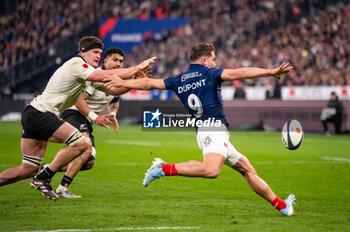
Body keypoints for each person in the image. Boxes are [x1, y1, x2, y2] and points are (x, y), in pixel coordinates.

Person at [104, 42, 296, 216]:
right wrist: (270, 72)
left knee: (247, 170)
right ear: (205, 59)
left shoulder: (178, 79)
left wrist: (123, 82)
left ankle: (282, 206)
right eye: (213, 58)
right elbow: (238, 73)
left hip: (206, 131)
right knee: (212, 170)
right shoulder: (210, 73)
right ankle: (163, 168)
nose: (215, 62)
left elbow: (148, 83)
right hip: (213, 131)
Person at [0, 36, 156, 200]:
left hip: (35, 113)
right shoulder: (76, 64)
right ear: (83, 52)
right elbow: (105, 75)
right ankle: (44, 177)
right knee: (82, 143)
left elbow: (112, 90)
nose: (98, 56)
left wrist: (133, 81)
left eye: (100, 53)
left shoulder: (85, 73)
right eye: (95, 52)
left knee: (28, 169)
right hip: (41, 113)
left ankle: (41, 175)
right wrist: (137, 67)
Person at [54, 47, 129, 198]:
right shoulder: (94, 76)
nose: (118, 63)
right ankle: (62, 189)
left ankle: (46, 169)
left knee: (88, 162)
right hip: (74, 113)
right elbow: (78, 100)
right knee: (85, 145)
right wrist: (95, 117)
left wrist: (112, 113)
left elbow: (114, 100)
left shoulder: (116, 80)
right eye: (115, 60)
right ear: (105, 60)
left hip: (86, 119)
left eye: (121, 61)